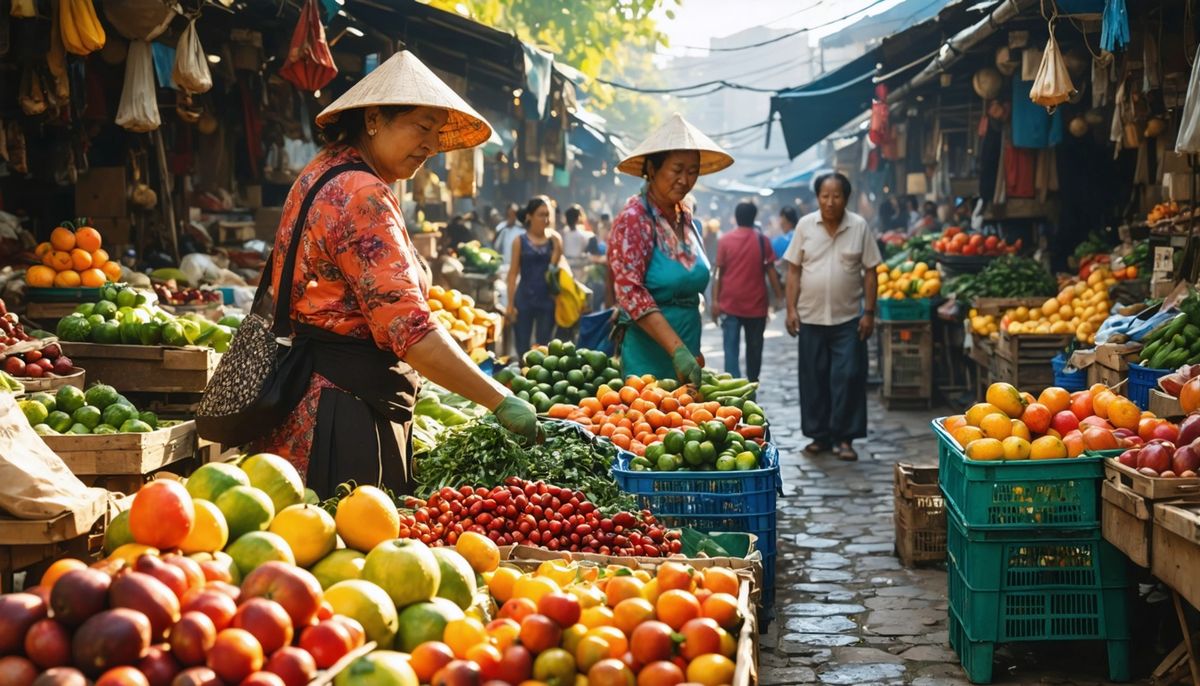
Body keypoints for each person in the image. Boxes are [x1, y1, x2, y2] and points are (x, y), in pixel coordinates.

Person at [249, 51, 538, 497]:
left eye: (437, 133)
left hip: (303, 401)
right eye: (422, 127)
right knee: (353, 551)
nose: (432, 146)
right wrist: (499, 400)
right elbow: (411, 331)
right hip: (343, 413)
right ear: (374, 119)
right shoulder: (363, 193)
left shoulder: (320, 172)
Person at [609, 113, 733, 382]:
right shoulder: (634, 219)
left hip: (690, 350)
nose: (685, 180)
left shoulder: (685, 216)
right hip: (648, 359)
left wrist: (688, 353)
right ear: (652, 170)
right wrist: (677, 351)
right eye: (677, 170)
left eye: (692, 172)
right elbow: (630, 292)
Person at [784, 172, 881, 462]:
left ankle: (844, 438)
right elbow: (793, 271)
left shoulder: (859, 226)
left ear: (846, 198)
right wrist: (790, 309)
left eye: (836, 196)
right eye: (824, 196)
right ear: (817, 198)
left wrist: (869, 312)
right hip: (811, 317)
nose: (830, 202)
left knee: (848, 377)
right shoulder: (805, 226)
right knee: (814, 378)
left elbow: (871, 271)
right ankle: (820, 436)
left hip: (848, 319)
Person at [711, 201, 784, 381]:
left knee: (730, 351)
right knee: (754, 349)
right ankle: (752, 385)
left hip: (730, 304)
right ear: (754, 218)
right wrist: (780, 297)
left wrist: (715, 300)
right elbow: (771, 271)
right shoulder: (762, 240)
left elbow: (718, 273)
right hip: (756, 307)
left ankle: (734, 389)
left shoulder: (725, 241)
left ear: (736, 217)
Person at [506, 195, 562, 352]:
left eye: (547, 214)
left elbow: (555, 270)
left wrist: (557, 247)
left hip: (547, 300)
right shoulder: (519, 241)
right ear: (529, 216)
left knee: (544, 348)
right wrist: (510, 305)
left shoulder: (555, 240)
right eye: (540, 214)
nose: (545, 219)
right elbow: (512, 274)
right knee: (522, 346)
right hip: (523, 299)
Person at [561, 204, 595, 276]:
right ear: (578, 218)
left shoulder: (561, 234)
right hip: (579, 269)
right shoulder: (587, 236)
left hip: (565, 269)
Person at [493, 203, 524, 269]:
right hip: (503, 266)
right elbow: (496, 246)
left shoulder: (521, 230)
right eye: (510, 213)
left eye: (514, 214)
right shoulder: (501, 228)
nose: (512, 216)